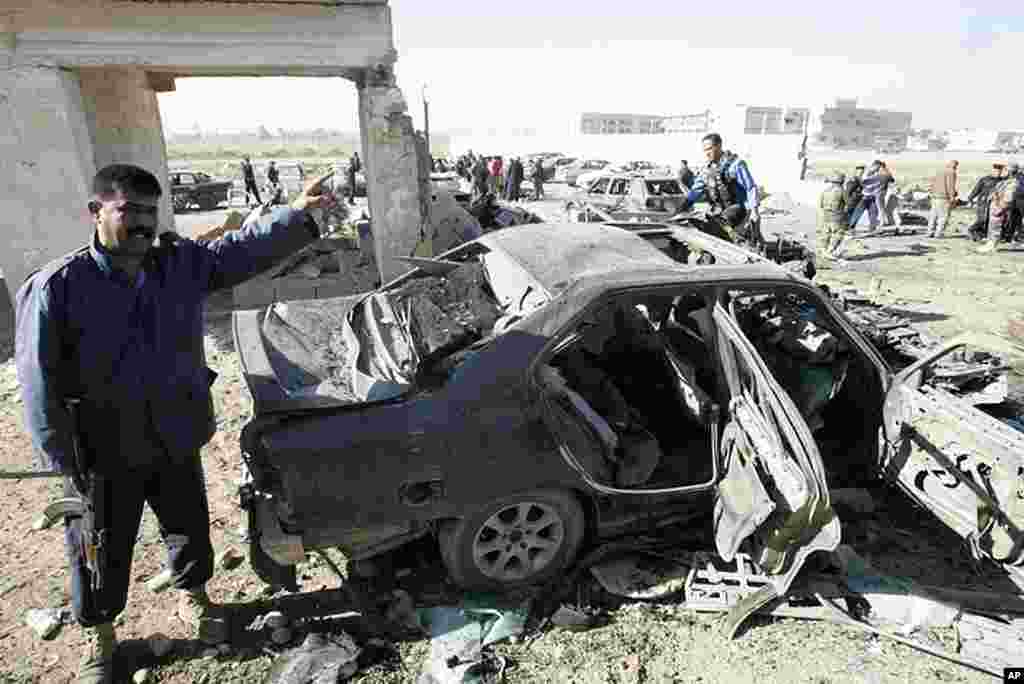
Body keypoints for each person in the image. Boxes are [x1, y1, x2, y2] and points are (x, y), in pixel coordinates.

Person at [15, 164, 336, 684]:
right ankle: (103, 637)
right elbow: (37, 383)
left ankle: (199, 601)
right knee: (98, 544)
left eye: (149, 212)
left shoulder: (176, 265)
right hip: (101, 451)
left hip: (173, 434)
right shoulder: (59, 287)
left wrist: (295, 217)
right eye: (128, 211)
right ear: (96, 212)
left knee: (187, 527)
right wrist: (61, 461)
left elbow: (237, 253)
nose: (141, 223)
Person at [678, 133, 760, 243]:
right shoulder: (706, 170)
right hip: (718, 210)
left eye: (710, 149)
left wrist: (755, 211)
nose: (707, 153)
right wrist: (682, 208)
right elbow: (695, 191)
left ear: (719, 146)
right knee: (699, 224)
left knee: (719, 226)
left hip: (738, 209)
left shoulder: (736, 165)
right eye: (705, 150)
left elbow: (750, 187)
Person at [979, 163, 1020, 252]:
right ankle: (990, 243)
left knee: (996, 227)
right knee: (992, 226)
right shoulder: (1004, 181)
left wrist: (1000, 207)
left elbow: (1008, 199)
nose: (1002, 171)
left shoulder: (1012, 183)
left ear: (1010, 172)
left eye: (1005, 170)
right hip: (995, 205)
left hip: (999, 207)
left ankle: (992, 245)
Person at [966, 163, 1006, 242]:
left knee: (990, 221)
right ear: (993, 170)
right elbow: (976, 189)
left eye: (999, 171)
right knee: (982, 219)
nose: (997, 173)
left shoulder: (1002, 180)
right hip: (983, 203)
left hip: (995, 204)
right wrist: (970, 198)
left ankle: (982, 235)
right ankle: (972, 230)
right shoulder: (985, 179)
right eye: (996, 171)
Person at [817, 173, 849, 262]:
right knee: (838, 234)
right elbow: (848, 204)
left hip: (826, 216)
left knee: (825, 234)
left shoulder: (825, 191)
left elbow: (821, 204)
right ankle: (830, 251)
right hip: (837, 216)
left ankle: (823, 250)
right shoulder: (842, 191)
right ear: (842, 181)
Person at [928, 160, 959, 238]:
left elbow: (931, 184)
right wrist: (952, 198)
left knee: (933, 216)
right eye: (956, 166)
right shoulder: (951, 173)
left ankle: (929, 232)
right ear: (954, 166)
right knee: (943, 217)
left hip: (934, 197)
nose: (956, 168)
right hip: (944, 198)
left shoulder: (939, 171)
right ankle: (938, 233)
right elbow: (950, 186)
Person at [850, 161, 882, 232]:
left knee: (874, 212)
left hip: (871, 197)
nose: (878, 169)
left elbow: (876, 183)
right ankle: (851, 227)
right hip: (864, 196)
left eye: (879, 168)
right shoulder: (866, 173)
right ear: (874, 165)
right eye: (878, 167)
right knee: (858, 212)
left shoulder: (875, 174)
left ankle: (872, 228)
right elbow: (862, 181)